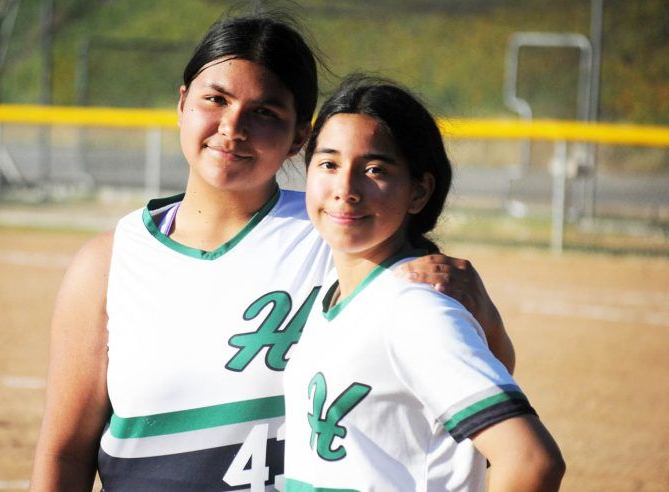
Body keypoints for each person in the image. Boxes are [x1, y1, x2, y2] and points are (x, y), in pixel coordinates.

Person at [29, 11, 514, 492]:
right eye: (215, 99)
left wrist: (484, 315)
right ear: (182, 103)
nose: (232, 127)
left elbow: (469, 380)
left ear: (300, 136)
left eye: (265, 112)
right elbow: (66, 451)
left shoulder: (342, 239)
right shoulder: (109, 262)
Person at [283, 75, 565, 491]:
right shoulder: (336, 292)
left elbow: (531, 462)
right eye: (329, 164)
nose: (345, 189)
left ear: (419, 192)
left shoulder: (414, 309)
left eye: (375, 169)